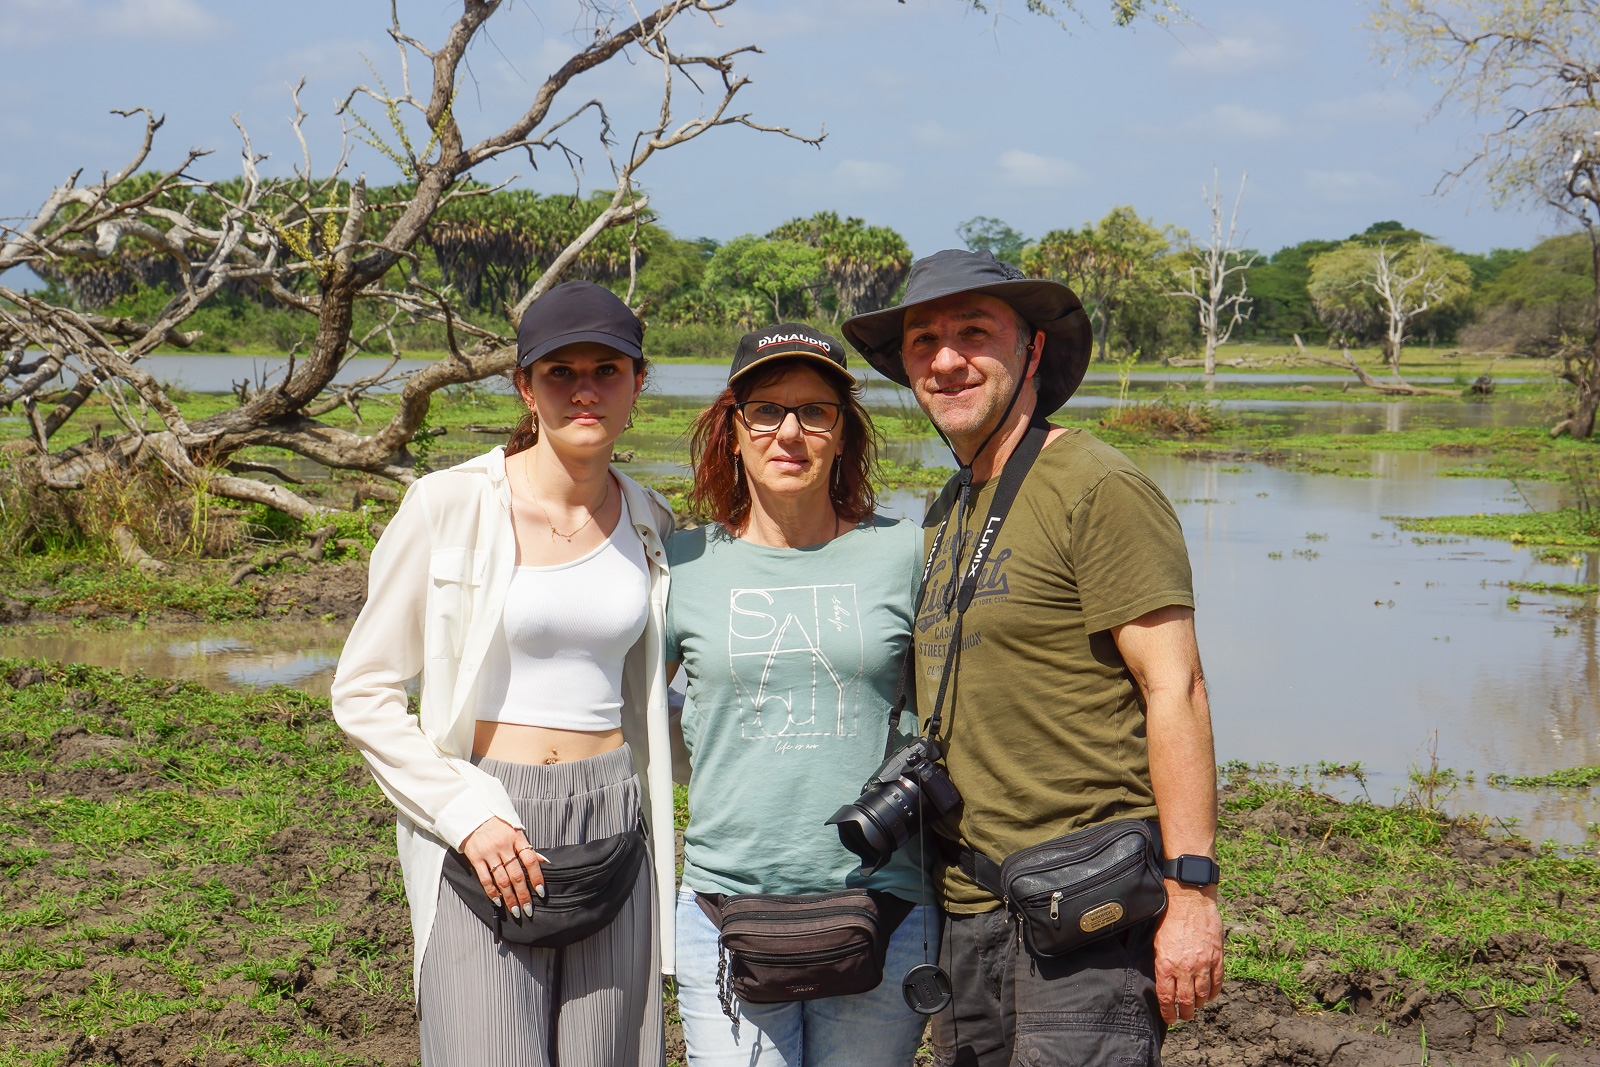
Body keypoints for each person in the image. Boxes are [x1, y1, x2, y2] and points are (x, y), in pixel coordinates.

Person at [840, 250, 1224, 1067]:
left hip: (1084, 906)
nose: (947, 359)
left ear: (1032, 350)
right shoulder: (947, 509)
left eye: (974, 333)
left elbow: (1176, 686)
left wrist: (1192, 891)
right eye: (924, 341)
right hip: (969, 906)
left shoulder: (1096, 485)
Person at [332, 280, 677, 1067]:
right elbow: (363, 689)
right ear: (525, 386)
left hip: (613, 818)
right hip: (488, 819)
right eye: (560, 372)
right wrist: (466, 813)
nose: (584, 390)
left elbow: (663, 687)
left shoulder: (651, 520)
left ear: (637, 383)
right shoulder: (447, 505)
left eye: (607, 370)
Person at [664, 323, 938, 1066]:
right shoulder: (683, 562)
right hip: (725, 906)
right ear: (733, 430)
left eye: (815, 411)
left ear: (842, 433)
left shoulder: (905, 551)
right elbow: (621, 706)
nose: (789, 432)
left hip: (885, 904)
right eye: (766, 411)